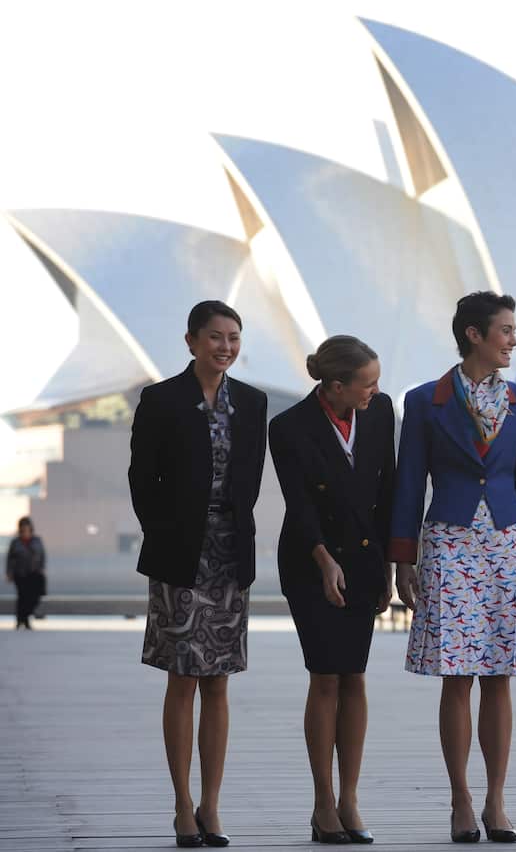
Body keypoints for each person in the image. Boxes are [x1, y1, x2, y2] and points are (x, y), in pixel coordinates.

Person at [389, 291, 516, 844]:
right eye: (505, 330)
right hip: (449, 544)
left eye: (514, 329)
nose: (513, 339)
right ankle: (460, 799)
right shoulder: (424, 400)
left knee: (500, 675)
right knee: (456, 678)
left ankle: (496, 801)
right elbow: (409, 481)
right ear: (474, 335)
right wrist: (403, 557)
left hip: (506, 541)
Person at [129, 300, 268, 848]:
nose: (226, 347)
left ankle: (212, 806)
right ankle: (182, 804)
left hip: (230, 554)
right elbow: (143, 479)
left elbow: (250, 477)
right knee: (182, 678)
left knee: (219, 681)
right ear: (191, 341)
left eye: (234, 337)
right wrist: (168, 532)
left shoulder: (252, 402)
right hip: (180, 555)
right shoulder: (161, 400)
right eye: (215, 337)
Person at [269, 335, 396, 844]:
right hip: (309, 560)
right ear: (337, 386)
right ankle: (323, 803)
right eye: (367, 383)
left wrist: (387, 565)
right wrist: (323, 560)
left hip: (364, 561)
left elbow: (386, 488)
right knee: (326, 676)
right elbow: (298, 504)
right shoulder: (289, 427)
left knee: (356, 676)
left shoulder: (381, 411)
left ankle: (350, 799)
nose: (376, 390)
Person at [6, 517, 46, 629]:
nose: (25, 531)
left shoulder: (37, 541)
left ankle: (25, 617)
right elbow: (10, 558)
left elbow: (42, 555)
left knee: (33, 597)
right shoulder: (15, 543)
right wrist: (9, 572)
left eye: (27, 528)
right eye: (23, 528)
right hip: (20, 574)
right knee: (22, 597)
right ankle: (22, 621)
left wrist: (42, 568)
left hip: (34, 573)